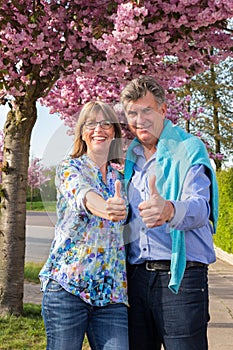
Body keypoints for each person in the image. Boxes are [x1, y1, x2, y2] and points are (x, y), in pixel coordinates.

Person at [120, 76, 218, 350]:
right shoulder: (131, 158)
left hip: (181, 278)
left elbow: (200, 206)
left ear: (163, 111)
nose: (140, 120)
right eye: (132, 113)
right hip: (137, 277)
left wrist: (169, 209)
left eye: (147, 110)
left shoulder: (189, 148)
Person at [39, 101, 129, 350]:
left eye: (105, 124)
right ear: (81, 132)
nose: (98, 129)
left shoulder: (120, 178)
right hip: (68, 288)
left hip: (111, 295)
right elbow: (84, 195)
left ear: (114, 132)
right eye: (91, 123)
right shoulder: (69, 168)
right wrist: (107, 209)